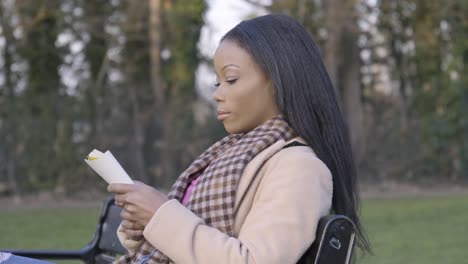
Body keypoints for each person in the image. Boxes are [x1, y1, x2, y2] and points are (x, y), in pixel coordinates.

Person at [107, 13, 370, 264]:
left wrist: (160, 215)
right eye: (217, 82)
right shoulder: (228, 155)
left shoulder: (300, 168)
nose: (217, 94)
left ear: (280, 81)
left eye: (230, 79)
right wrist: (144, 228)